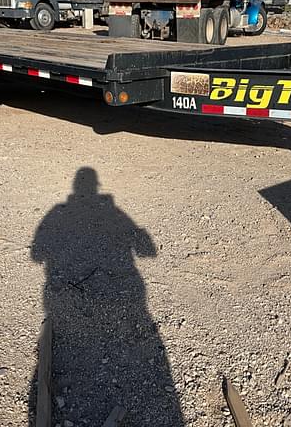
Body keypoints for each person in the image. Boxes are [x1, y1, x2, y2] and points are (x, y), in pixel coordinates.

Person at [30, 167, 183, 426]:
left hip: (61, 296)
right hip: (131, 298)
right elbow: (147, 250)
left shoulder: (57, 212)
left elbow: (36, 255)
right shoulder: (115, 212)